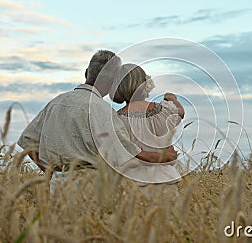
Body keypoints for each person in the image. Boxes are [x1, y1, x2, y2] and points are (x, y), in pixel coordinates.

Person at [17, 50, 178, 194]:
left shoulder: (56, 102)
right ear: (113, 81)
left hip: (57, 186)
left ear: (87, 72)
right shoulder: (102, 110)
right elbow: (130, 155)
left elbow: (28, 141)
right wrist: (165, 156)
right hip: (90, 188)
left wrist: (50, 172)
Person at [110, 63, 185, 193]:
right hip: (165, 180)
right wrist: (171, 98)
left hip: (132, 184)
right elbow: (180, 112)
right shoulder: (165, 111)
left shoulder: (117, 120)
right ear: (145, 85)